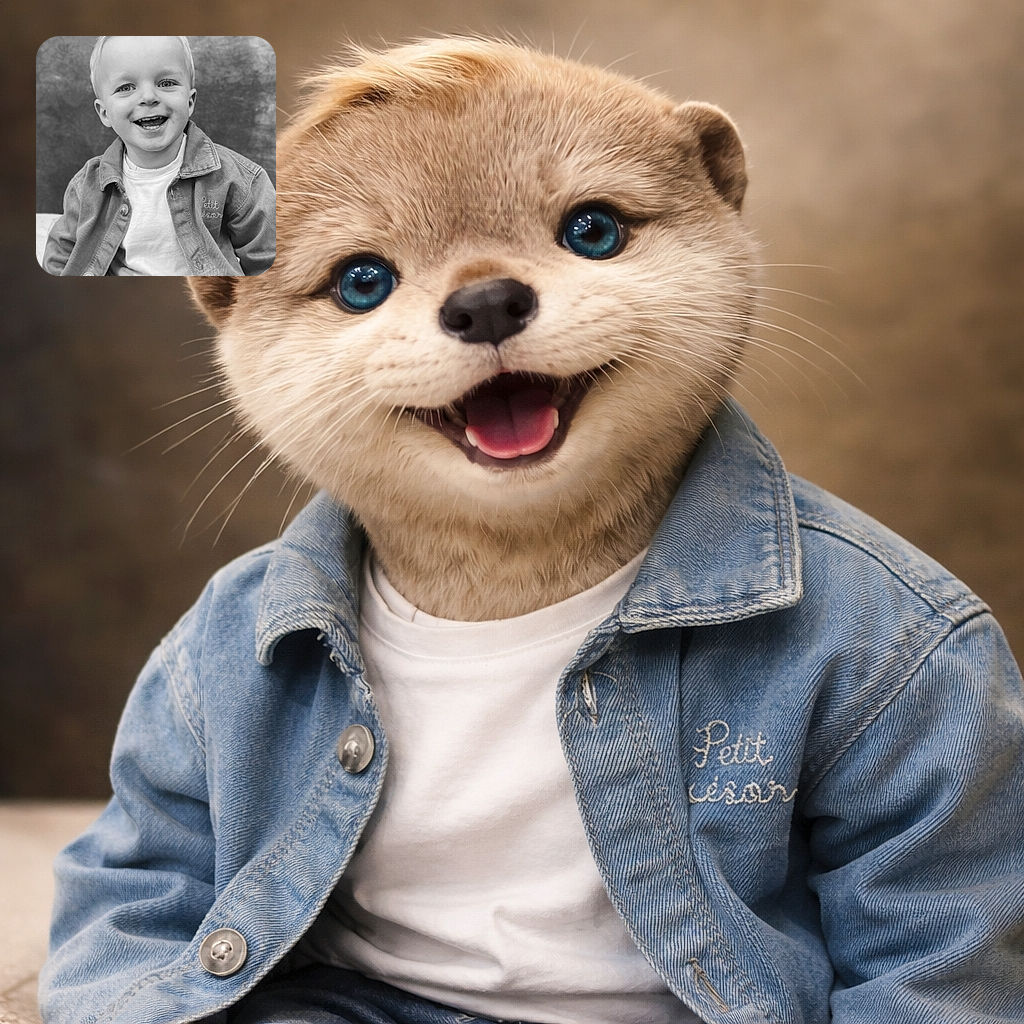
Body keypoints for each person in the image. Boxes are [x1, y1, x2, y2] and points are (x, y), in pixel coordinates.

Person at [42, 36, 275, 276]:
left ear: (190, 101)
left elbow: (268, 264)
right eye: (126, 88)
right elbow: (59, 259)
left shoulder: (238, 180)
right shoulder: (86, 188)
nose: (148, 97)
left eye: (166, 83)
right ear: (104, 113)